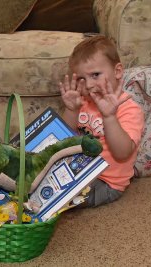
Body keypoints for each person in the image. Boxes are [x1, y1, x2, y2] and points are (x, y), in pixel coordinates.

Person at [59, 35, 144, 208]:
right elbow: (62, 141)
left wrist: (109, 117)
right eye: (82, 79)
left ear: (118, 71)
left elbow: (122, 153)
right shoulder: (82, 102)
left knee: (57, 197)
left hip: (106, 182)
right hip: (77, 170)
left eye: (95, 75)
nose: (89, 85)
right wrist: (71, 110)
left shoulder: (129, 109)